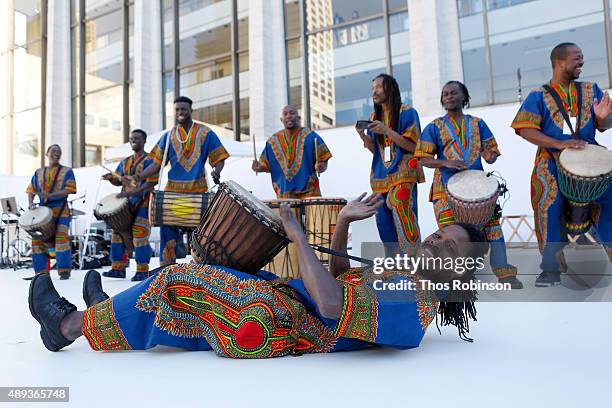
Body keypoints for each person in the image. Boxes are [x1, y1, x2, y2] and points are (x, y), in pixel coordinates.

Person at [28, 193, 489, 355]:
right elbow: (341, 283)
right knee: (188, 299)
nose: (433, 240)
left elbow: (330, 305)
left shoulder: (412, 306)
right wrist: (344, 223)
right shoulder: (402, 282)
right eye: (438, 233)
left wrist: (298, 234)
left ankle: (66, 326)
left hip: (271, 326)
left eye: (448, 244)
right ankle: (107, 316)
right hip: (279, 309)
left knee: (177, 284)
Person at [511, 42, 612, 287]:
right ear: (560, 62)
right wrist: (559, 144)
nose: (582, 62)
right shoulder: (538, 95)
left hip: (590, 156)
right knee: (549, 203)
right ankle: (551, 267)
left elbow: (604, 124)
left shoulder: (591, 89)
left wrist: (603, 119)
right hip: (551, 160)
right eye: (577, 58)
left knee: (610, 199)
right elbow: (525, 129)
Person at [415, 81, 523, 289]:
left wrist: (489, 156)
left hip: (478, 191)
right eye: (445, 94)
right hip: (444, 190)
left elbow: (492, 152)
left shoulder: (478, 123)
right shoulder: (435, 127)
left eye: (453, 93)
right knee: (449, 236)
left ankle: (504, 273)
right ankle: (453, 277)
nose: (449, 96)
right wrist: (445, 162)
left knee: (493, 230)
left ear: (464, 95)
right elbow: (421, 158)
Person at [129, 96, 230, 267]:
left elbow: (219, 157)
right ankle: (167, 268)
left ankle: (201, 268)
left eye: (183, 109)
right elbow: (156, 163)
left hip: (198, 192)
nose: (180, 112)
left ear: (191, 110)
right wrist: (139, 177)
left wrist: (217, 171)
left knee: (201, 233)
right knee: (167, 229)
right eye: (177, 110)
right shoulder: (168, 136)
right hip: (172, 194)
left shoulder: (205, 133)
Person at [355, 73, 424, 252]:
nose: (374, 92)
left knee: (401, 206)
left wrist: (387, 130)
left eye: (378, 87)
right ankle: (393, 263)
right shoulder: (374, 116)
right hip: (380, 176)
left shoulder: (408, 112)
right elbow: (376, 151)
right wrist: (362, 135)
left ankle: (413, 259)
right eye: (373, 88)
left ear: (390, 88)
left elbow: (412, 146)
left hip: (403, 172)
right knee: (381, 217)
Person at [101, 129, 157, 281]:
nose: (133, 140)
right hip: (126, 203)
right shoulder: (125, 162)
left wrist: (130, 193)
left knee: (140, 234)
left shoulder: (151, 160)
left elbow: (151, 184)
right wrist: (111, 179)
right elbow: (118, 180)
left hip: (143, 203)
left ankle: (142, 270)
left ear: (144, 141)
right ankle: (117, 269)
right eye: (131, 138)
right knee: (117, 233)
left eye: (137, 138)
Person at [252, 105, 331, 199]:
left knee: (314, 214)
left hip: (310, 192)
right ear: (281, 120)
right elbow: (264, 165)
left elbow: (323, 160)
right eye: (285, 114)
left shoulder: (311, 136)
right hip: (284, 195)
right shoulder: (272, 141)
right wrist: (257, 167)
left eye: (292, 113)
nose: (288, 116)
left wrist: (321, 167)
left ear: (298, 118)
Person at [25, 145, 77, 280]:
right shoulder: (38, 172)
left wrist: (51, 195)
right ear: (46, 153)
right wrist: (31, 204)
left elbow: (69, 189)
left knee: (61, 237)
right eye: (53, 151)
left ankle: (64, 270)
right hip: (44, 211)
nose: (56, 154)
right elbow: (31, 190)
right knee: (37, 240)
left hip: (61, 210)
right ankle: (41, 273)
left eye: (59, 152)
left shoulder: (67, 171)